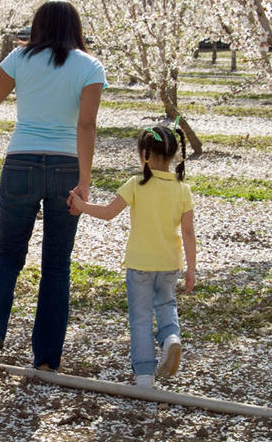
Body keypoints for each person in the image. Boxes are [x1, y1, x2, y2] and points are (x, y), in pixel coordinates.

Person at [0, 0, 106, 372]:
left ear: (39, 26)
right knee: (56, 264)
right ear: (75, 27)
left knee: (9, 253)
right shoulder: (90, 66)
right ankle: (46, 360)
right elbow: (86, 126)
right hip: (65, 167)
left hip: (20, 163)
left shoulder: (20, 58)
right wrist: (84, 182)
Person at [68, 122, 197, 388]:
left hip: (140, 264)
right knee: (166, 306)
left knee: (140, 318)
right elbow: (188, 233)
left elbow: (107, 212)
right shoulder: (183, 190)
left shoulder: (136, 184)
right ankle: (171, 338)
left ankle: (144, 376)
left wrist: (81, 205)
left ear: (145, 154)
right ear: (173, 156)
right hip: (169, 264)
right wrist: (191, 269)